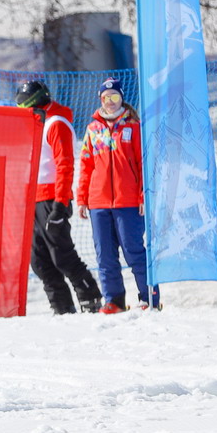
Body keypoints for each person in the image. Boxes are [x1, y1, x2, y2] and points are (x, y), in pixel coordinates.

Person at [14, 80, 103, 315]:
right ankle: (61, 306)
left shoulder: (56, 123)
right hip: (33, 200)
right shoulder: (36, 124)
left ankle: (90, 298)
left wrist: (60, 204)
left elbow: (64, 166)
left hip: (52, 198)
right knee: (39, 260)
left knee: (61, 255)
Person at [77, 77, 160, 312]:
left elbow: (144, 164)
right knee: (105, 255)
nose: (110, 101)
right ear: (100, 99)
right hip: (99, 202)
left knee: (134, 251)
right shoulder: (93, 129)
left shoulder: (133, 126)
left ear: (122, 97)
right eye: (106, 97)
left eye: (114, 96)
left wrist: (143, 195)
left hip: (128, 201)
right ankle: (113, 300)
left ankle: (149, 298)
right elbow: (86, 165)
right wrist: (82, 198)